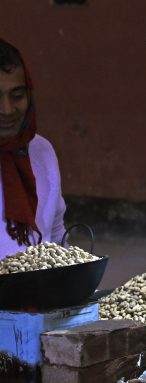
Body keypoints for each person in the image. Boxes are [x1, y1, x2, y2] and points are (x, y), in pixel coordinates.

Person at [0, 39, 66, 259]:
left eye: (17, 96)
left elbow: (56, 235)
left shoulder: (42, 151)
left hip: (41, 289)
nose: (7, 109)